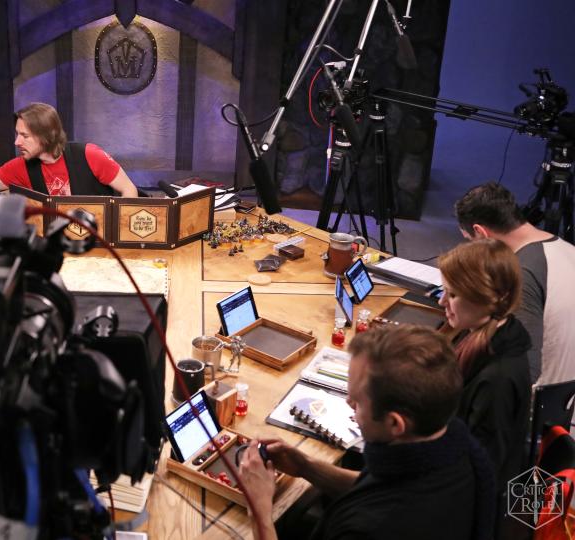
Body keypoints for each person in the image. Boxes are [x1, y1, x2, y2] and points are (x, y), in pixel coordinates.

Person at [238, 326, 495, 540]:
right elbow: (377, 485)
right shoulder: (456, 447)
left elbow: (380, 502)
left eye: (357, 401)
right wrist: (306, 466)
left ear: (395, 424)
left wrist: (259, 513)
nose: (348, 402)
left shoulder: (372, 528)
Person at [438, 239, 531, 535]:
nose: (442, 302)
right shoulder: (489, 336)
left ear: (490, 299)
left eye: (452, 294)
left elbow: (480, 468)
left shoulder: (497, 380)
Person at [0, 102, 140, 218]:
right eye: (17, 134)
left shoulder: (89, 154)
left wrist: (115, 228)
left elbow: (130, 190)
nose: (16, 142)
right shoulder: (21, 167)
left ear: (46, 135)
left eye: (24, 136)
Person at [455, 181, 575, 385]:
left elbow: (525, 367)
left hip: (546, 406)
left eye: (470, 240)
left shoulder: (520, 274)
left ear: (481, 232)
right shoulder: (567, 249)